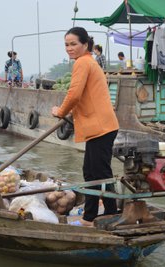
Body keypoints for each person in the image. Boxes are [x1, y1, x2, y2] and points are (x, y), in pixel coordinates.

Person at [51, 27, 119, 227]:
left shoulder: (82, 62)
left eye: (73, 44)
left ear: (85, 44)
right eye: (66, 45)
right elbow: (85, 96)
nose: (69, 48)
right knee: (93, 171)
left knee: (97, 172)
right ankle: (105, 212)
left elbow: (74, 94)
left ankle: (95, 216)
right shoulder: (89, 62)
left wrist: (60, 111)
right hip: (101, 126)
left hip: (101, 126)